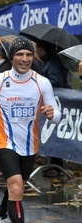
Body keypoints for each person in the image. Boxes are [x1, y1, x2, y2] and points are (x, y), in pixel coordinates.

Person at [0, 37, 61, 223]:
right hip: (3, 140)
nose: (25, 59)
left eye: (29, 55)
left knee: (17, 188)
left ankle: (0, 211)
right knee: (15, 186)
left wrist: (53, 114)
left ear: (33, 57)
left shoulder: (41, 82)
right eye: (20, 54)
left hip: (29, 143)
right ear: (12, 57)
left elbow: (56, 114)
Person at [35, 40, 71, 177]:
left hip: (58, 104)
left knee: (55, 134)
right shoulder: (48, 62)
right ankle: (54, 165)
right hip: (54, 103)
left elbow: (56, 81)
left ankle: (57, 166)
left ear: (41, 50)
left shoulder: (52, 63)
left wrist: (41, 84)